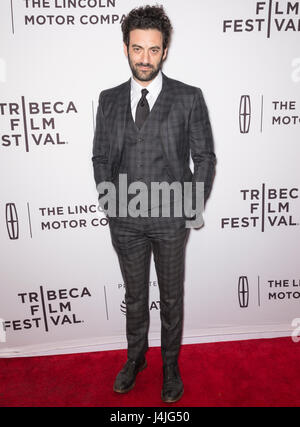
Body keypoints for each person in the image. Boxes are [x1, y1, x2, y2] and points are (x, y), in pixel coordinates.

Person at [92, 5, 216, 403]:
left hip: (169, 220)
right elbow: (100, 157)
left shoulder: (188, 97)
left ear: (165, 51)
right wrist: (109, 200)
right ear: (126, 48)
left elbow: (205, 158)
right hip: (124, 221)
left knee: (172, 297)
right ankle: (135, 358)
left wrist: (190, 206)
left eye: (153, 49)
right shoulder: (108, 100)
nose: (144, 58)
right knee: (134, 296)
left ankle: (170, 367)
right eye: (137, 48)